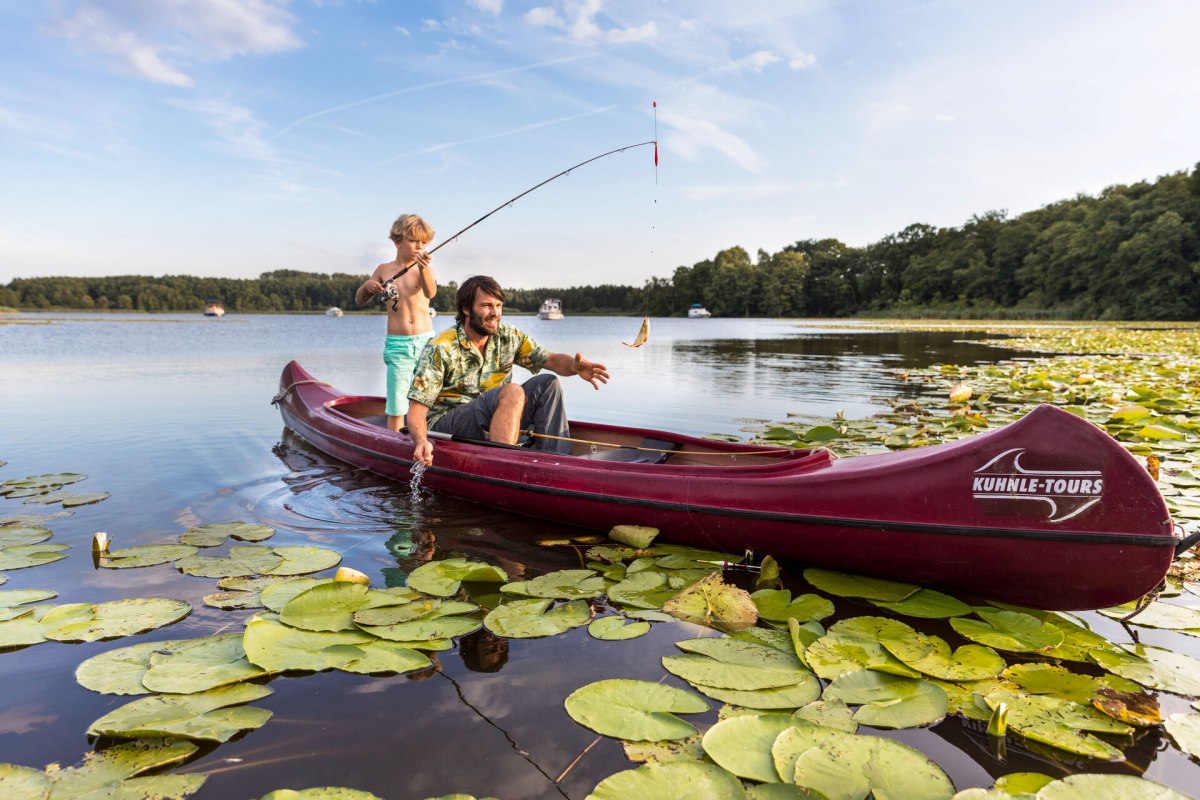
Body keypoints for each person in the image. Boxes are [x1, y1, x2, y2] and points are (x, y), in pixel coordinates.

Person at [406, 275, 608, 466]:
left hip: (496, 417)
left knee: (547, 383)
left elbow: (552, 360)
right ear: (466, 309)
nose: (495, 313)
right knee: (513, 390)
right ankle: (504, 465)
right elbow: (417, 409)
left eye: (498, 305)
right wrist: (421, 441)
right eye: (486, 305)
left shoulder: (508, 336)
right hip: (447, 424)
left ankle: (558, 463)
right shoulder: (441, 347)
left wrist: (573, 366)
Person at [355, 214, 438, 432]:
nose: (419, 247)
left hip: (425, 343)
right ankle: (393, 439)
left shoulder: (423, 269)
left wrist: (424, 269)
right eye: (414, 241)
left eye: (424, 243)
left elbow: (431, 292)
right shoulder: (384, 270)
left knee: (426, 394)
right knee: (397, 398)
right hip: (398, 344)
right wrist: (368, 286)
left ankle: (425, 435)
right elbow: (359, 300)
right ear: (398, 242)